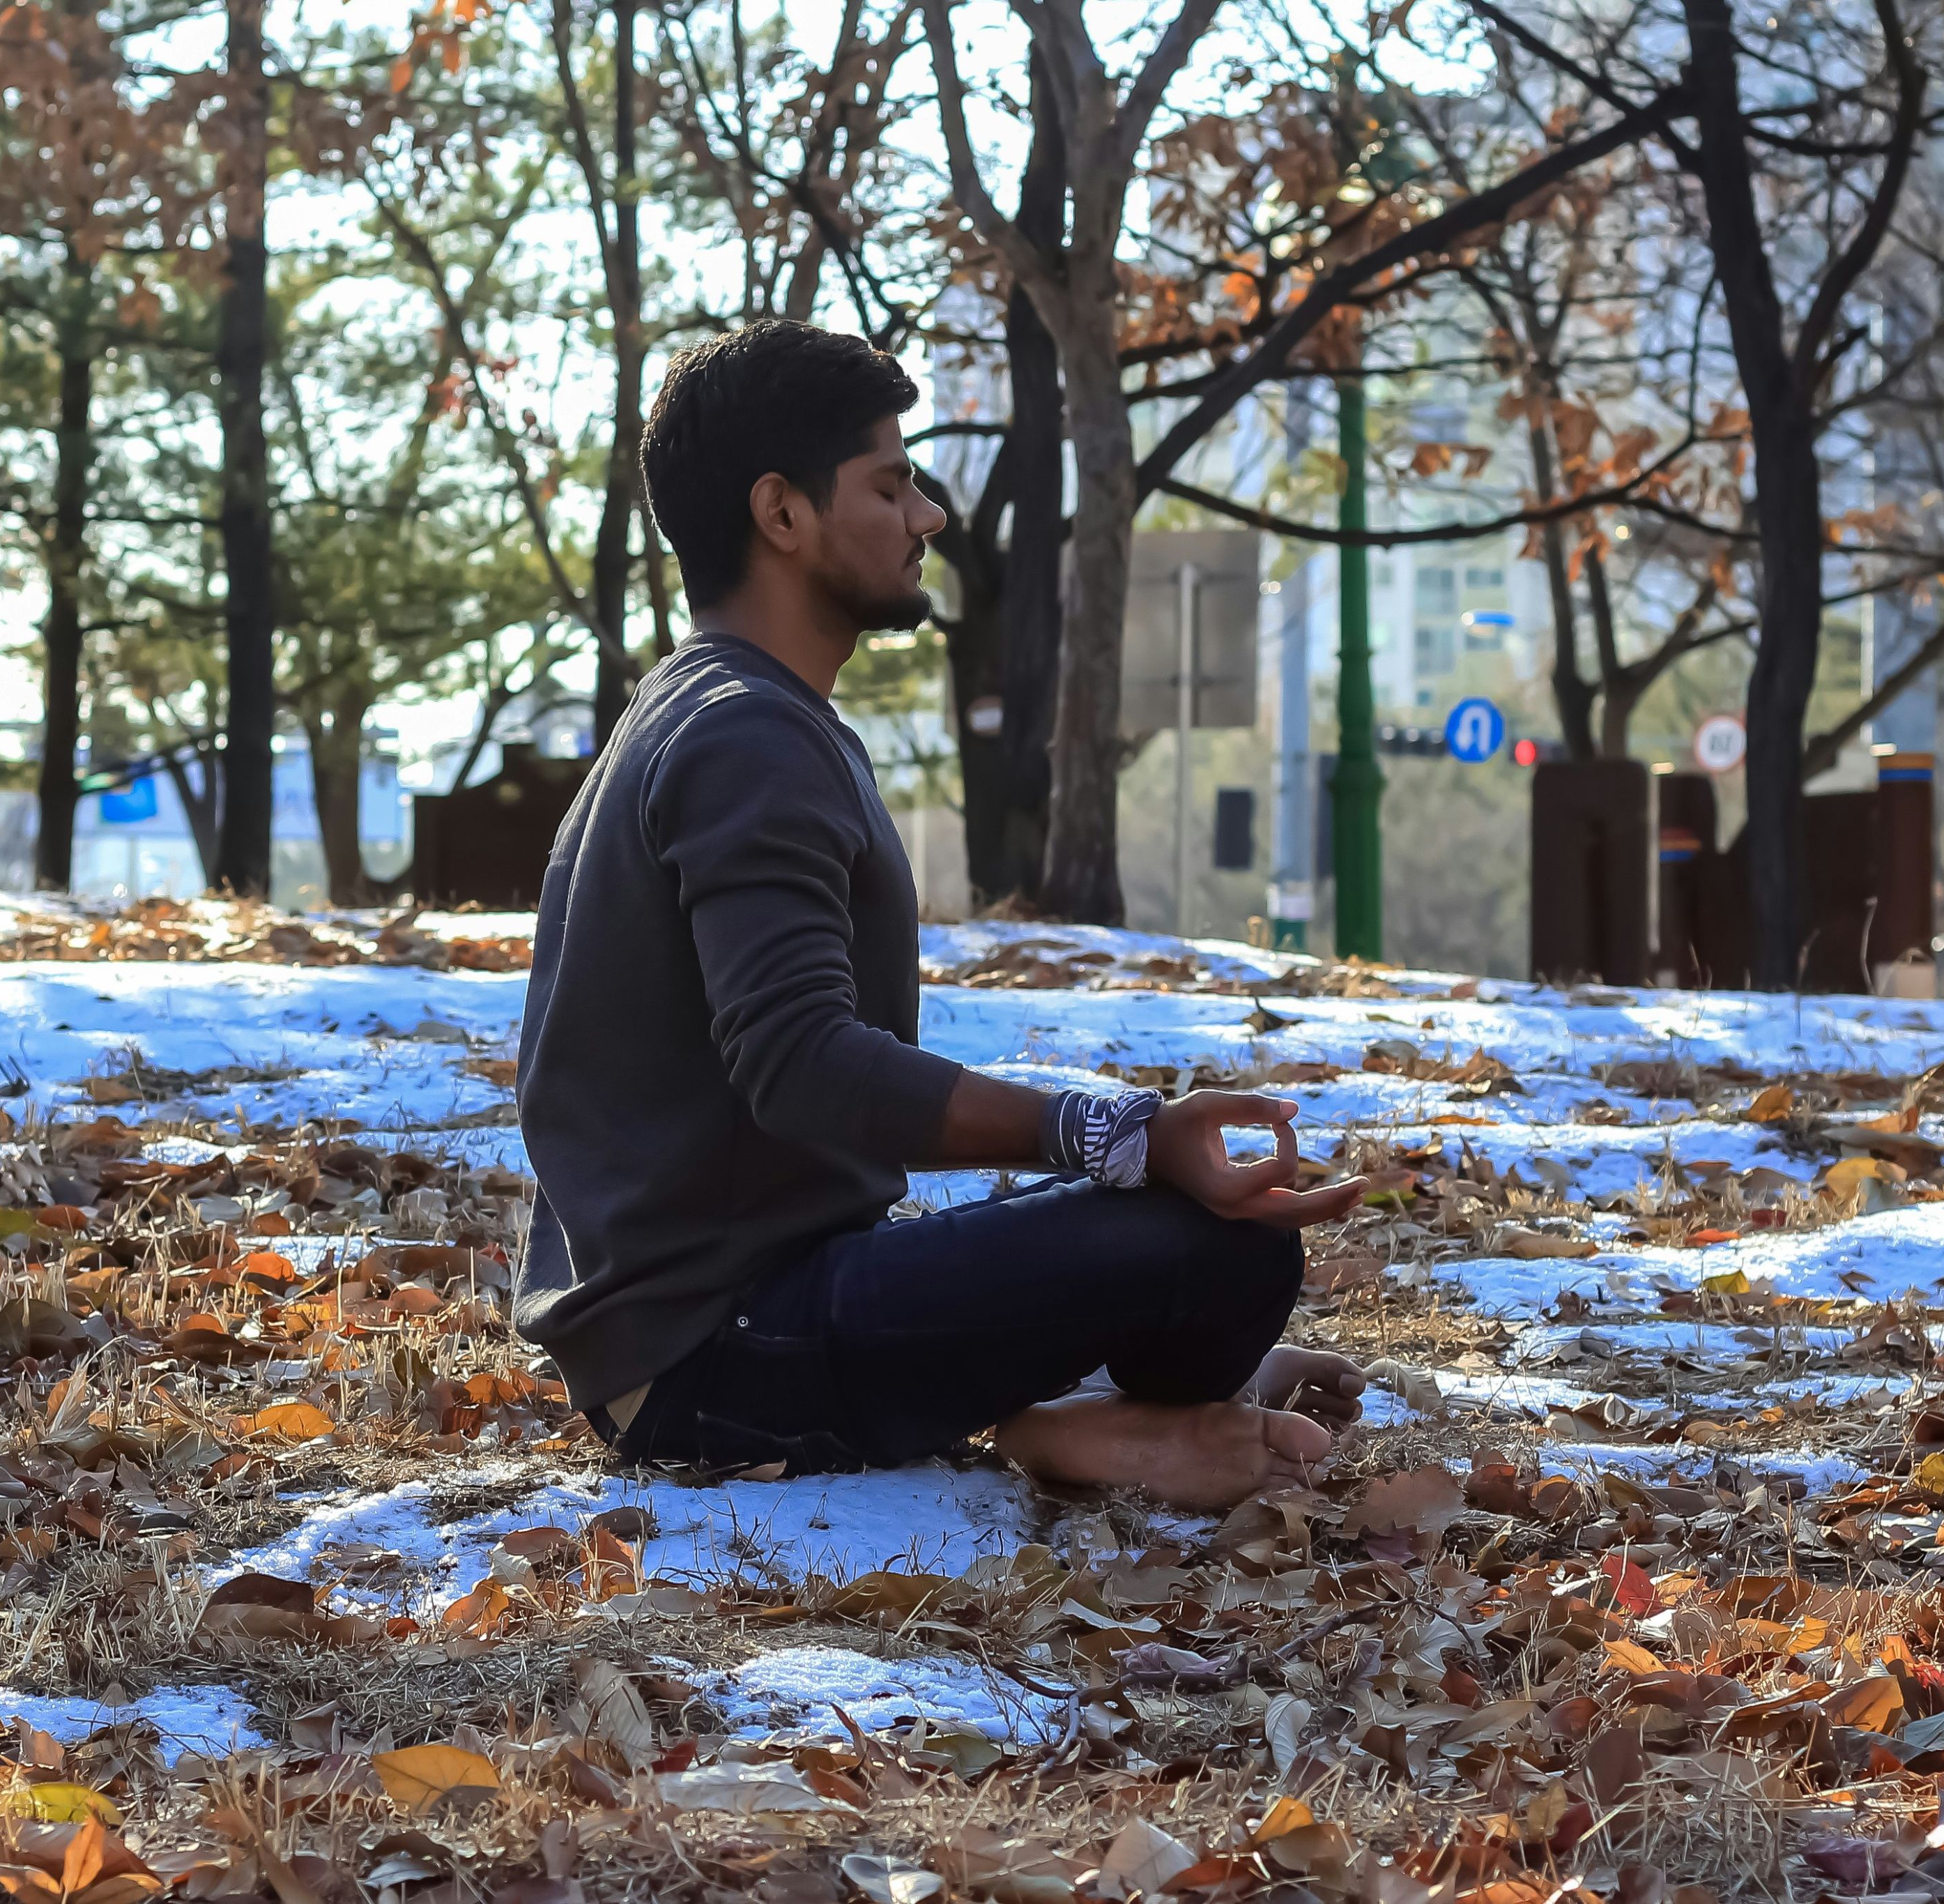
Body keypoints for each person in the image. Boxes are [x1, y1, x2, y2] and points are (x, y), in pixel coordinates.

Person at [514, 321, 1367, 1510]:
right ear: (782, 513)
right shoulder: (747, 736)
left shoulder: (707, 706)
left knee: (1187, 1231)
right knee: (1219, 1244)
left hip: (714, 1330)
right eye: (890, 482)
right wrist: (1112, 1134)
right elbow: (802, 1066)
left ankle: (1081, 1407)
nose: (927, 516)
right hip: (714, 1362)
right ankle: (1079, 1432)